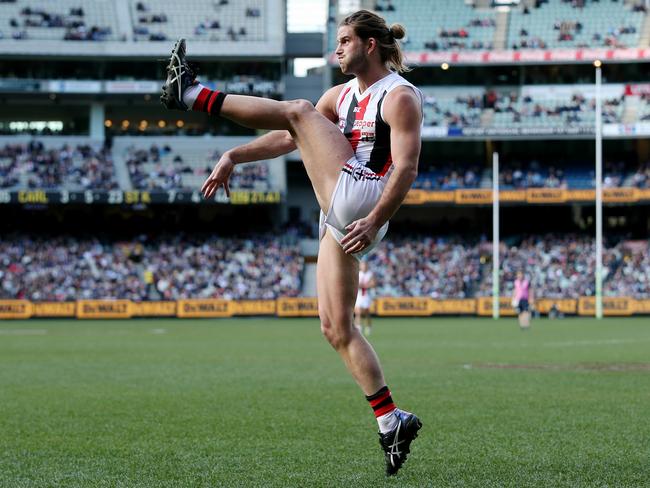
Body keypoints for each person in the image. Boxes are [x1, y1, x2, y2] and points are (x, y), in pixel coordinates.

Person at [160, 9, 422, 476]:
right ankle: (390, 421)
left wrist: (377, 216)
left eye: (345, 40)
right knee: (336, 327)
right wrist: (233, 155)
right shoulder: (339, 96)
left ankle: (193, 94)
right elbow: (289, 136)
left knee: (299, 109)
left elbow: (405, 168)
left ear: (370, 45)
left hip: (365, 197)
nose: (337, 48)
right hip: (342, 212)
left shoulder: (399, 96)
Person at [355, 260, 376, 336]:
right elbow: (356, 284)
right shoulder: (358, 274)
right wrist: (365, 285)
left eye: (365, 265)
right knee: (358, 312)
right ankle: (358, 328)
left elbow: (373, 284)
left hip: (367, 295)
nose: (363, 267)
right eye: (362, 265)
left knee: (366, 312)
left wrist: (363, 285)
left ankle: (368, 326)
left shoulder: (370, 274)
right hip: (359, 295)